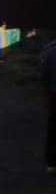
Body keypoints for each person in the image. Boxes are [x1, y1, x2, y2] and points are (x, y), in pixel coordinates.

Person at [41, 35, 56, 175]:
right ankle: (51, 161)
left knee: (53, 129)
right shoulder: (51, 52)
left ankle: (51, 162)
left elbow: (44, 81)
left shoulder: (50, 51)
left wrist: (45, 100)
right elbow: (44, 80)